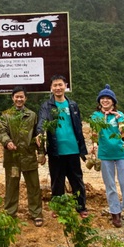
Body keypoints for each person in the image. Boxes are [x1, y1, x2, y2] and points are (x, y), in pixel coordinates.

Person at [90, 85, 124, 228]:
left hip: (122, 153)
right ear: (99, 101)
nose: (105, 100)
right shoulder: (96, 117)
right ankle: (115, 212)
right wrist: (94, 145)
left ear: (113, 101)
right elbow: (94, 133)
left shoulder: (120, 115)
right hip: (105, 154)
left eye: (108, 98)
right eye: (102, 98)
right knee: (110, 185)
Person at [37, 75, 88, 217]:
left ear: (65, 86)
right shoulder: (47, 106)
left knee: (76, 179)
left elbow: (78, 125)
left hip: (73, 148)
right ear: (51, 88)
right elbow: (41, 121)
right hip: (56, 149)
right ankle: (58, 207)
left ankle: (81, 206)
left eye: (60, 85)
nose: (58, 88)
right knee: (57, 180)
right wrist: (39, 133)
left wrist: (82, 146)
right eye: (55, 85)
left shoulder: (72, 105)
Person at [0, 86, 43, 226]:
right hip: (13, 158)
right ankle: (10, 213)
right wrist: (7, 142)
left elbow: (38, 135)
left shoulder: (32, 115)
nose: (19, 99)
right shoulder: (6, 115)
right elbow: (1, 132)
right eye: (16, 96)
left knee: (34, 187)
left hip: (29, 156)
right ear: (12, 98)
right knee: (11, 187)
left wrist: (41, 152)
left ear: (25, 98)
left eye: (21, 96)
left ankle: (36, 213)